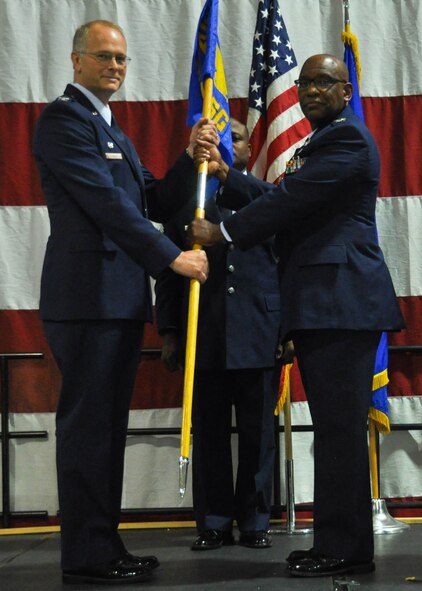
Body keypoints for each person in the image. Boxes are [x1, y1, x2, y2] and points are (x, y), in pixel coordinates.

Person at [188, 54, 405, 577]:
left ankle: (347, 547)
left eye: (323, 82)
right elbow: (288, 198)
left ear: (346, 91)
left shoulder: (346, 138)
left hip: (341, 301)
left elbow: (290, 202)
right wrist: (226, 175)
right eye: (305, 82)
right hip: (325, 303)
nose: (310, 91)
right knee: (333, 430)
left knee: (339, 432)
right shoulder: (321, 141)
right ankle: (334, 539)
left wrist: (224, 233)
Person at [32, 20, 211, 585]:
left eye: (123, 60)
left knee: (106, 430)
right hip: (87, 300)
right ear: (76, 60)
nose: (115, 67)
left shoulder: (111, 129)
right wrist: (171, 260)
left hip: (115, 300)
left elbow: (153, 198)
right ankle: (87, 553)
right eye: (104, 57)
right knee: (89, 429)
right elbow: (108, 206)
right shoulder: (64, 122)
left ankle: (103, 545)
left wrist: (188, 156)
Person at [155, 118, 281, 552]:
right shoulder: (188, 203)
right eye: (224, 138)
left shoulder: (264, 198)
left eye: (238, 139)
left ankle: (255, 520)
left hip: (258, 331)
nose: (231, 145)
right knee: (208, 433)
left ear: (249, 150)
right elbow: (168, 272)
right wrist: (170, 331)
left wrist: (287, 330)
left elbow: (284, 266)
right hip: (204, 333)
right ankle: (212, 521)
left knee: (258, 434)